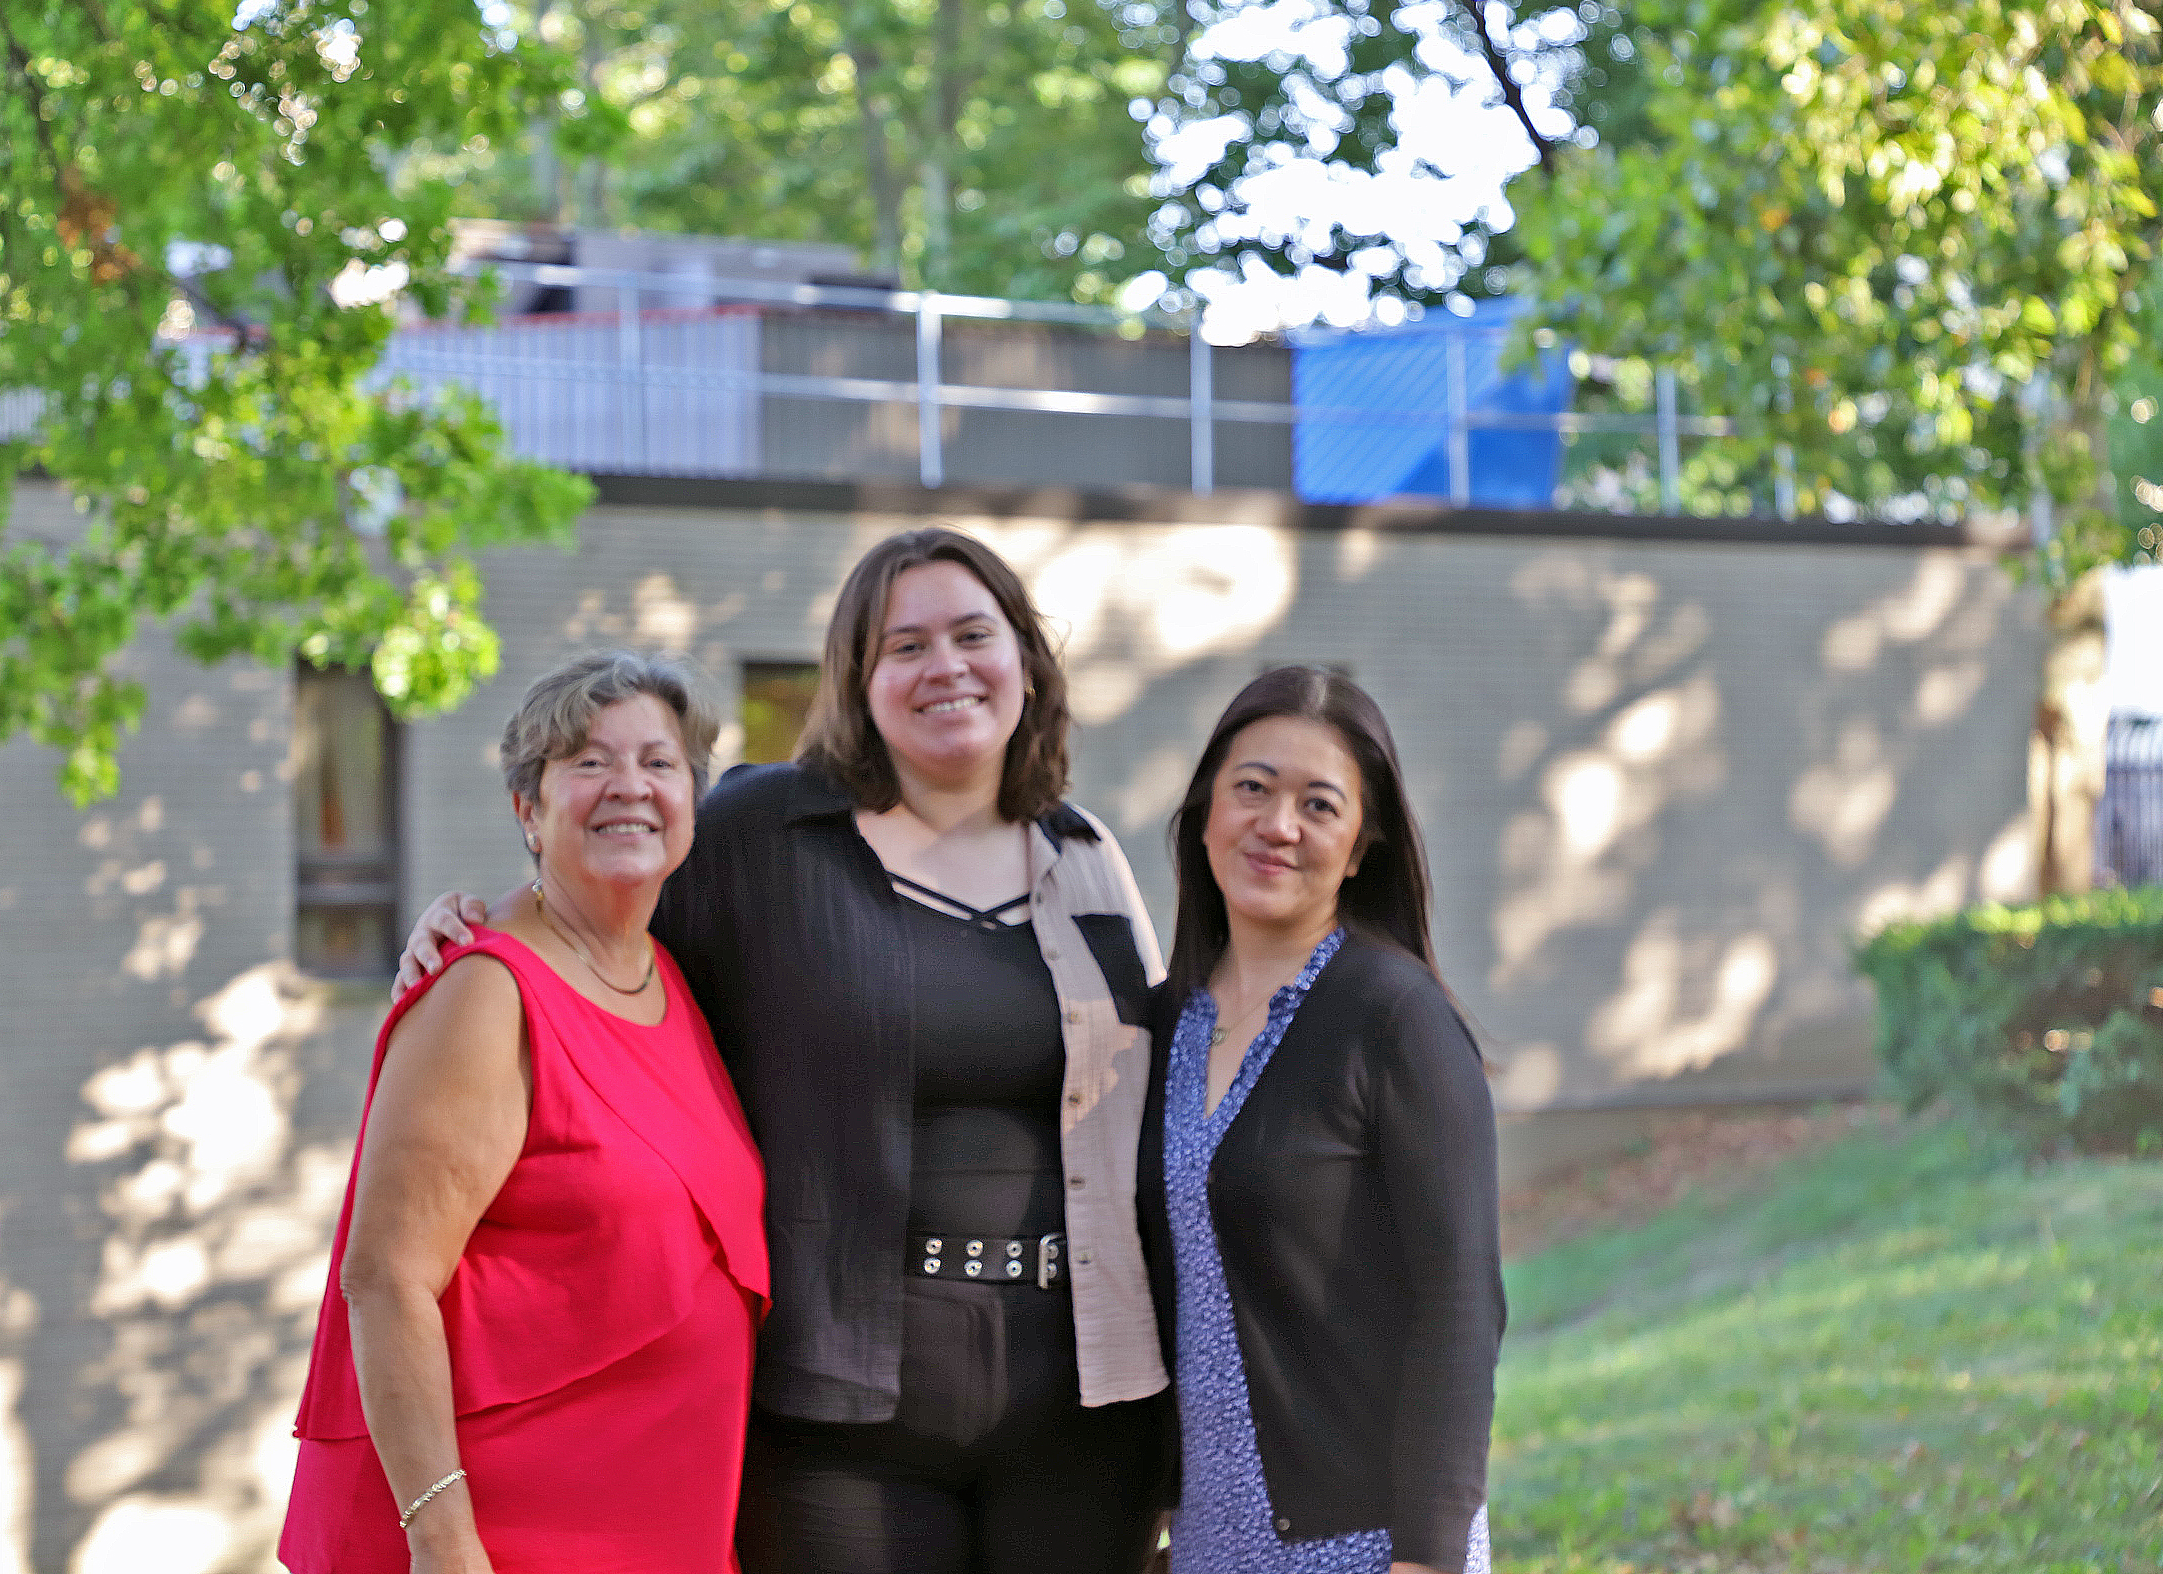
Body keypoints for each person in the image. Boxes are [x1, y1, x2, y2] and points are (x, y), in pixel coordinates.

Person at [395, 528, 1172, 1574]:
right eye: (905, 646)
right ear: (858, 680)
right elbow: (603, 908)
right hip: (840, 1415)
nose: (945, 666)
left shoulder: (1087, 857)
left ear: (1026, 661)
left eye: (972, 635)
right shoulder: (762, 834)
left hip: (1081, 1403)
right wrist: (472, 924)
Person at [280, 651, 769, 1574]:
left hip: (650, 1523)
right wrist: (444, 1541)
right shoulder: (485, 991)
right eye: (588, 761)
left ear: (692, 802)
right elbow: (384, 1280)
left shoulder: (666, 976)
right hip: (500, 1533)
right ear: (527, 810)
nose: (629, 785)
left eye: (659, 763)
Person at [1135, 666, 1503, 1574]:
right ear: (1205, 811)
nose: (1279, 826)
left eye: (1320, 804)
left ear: (1360, 843)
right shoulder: (1159, 1023)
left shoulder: (1395, 1019)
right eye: (1252, 789)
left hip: (1370, 1541)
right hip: (1209, 1539)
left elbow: (1460, 1302)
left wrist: (1428, 1555)